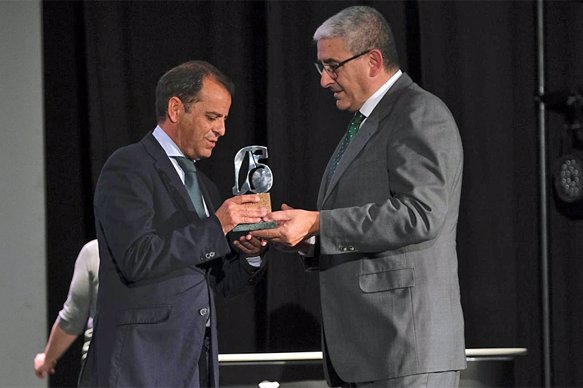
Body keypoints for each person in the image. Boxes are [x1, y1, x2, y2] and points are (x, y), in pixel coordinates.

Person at [253, 6, 466, 387]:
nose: (324, 80)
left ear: (373, 60)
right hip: (367, 350)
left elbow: (422, 213)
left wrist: (320, 222)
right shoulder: (365, 122)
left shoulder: (419, 112)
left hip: (404, 348)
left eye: (332, 66)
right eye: (321, 67)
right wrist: (310, 238)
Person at [79, 60, 269, 387]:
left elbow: (218, 281)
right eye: (212, 117)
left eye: (224, 119)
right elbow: (138, 257)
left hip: (193, 362)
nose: (222, 130)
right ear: (176, 108)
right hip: (138, 365)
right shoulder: (128, 166)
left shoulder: (205, 187)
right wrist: (217, 226)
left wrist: (251, 254)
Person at [34, 239, 99, 379]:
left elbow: (72, 319)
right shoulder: (156, 253)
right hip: (152, 365)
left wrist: (47, 359)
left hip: (104, 367)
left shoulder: (94, 252)